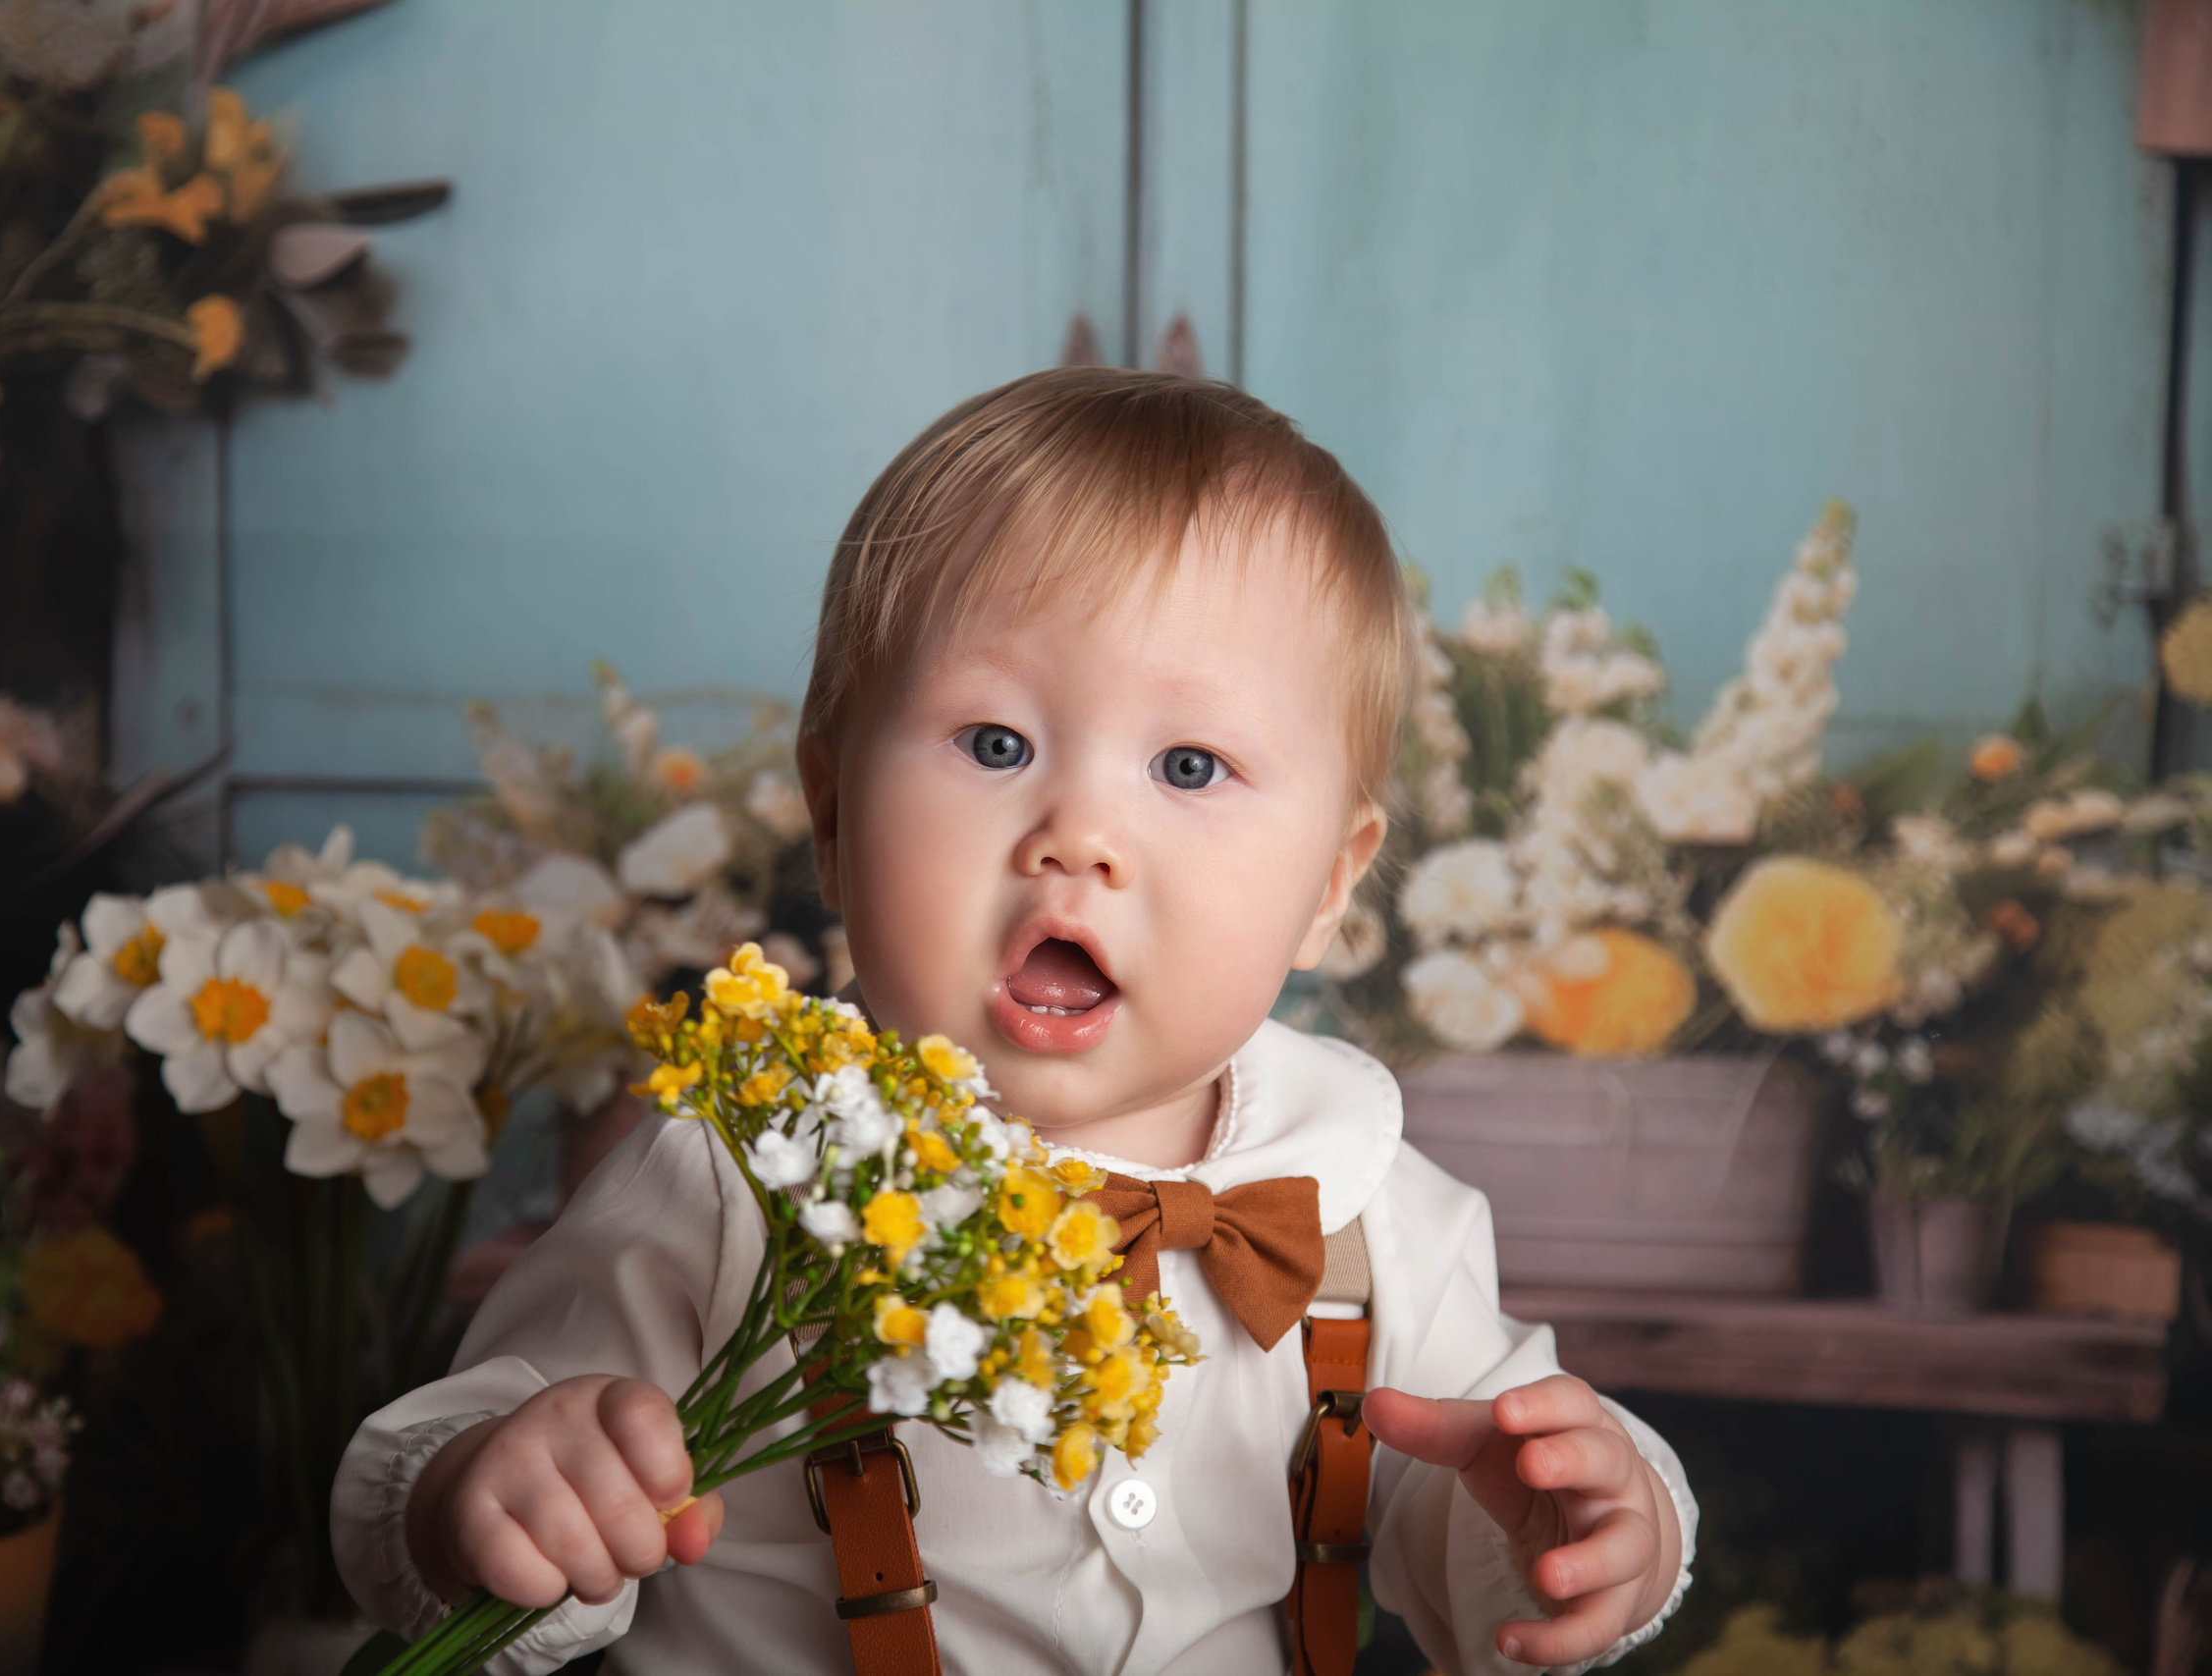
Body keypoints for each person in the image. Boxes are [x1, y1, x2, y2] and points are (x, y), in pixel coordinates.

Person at [331, 368, 1697, 1675]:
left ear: (1330, 885)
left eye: (1189, 766)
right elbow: (443, 1483)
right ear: (832, 814)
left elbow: (1453, 1502)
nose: (1079, 837)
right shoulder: (737, 1170)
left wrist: (1567, 1530)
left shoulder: (1369, 1204)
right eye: (997, 745)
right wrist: (489, 1489)